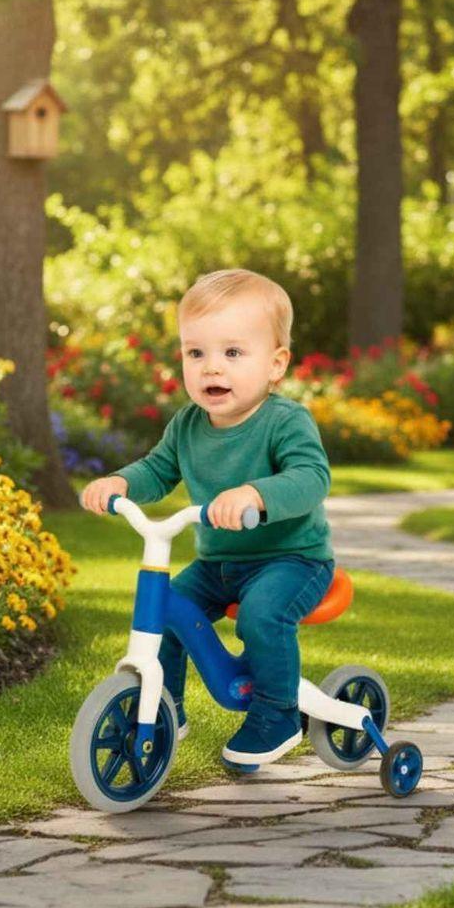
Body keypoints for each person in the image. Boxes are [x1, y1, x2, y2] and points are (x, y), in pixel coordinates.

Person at [80, 268, 334, 767]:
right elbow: (157, 469)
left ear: (276, 364)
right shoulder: (189, 424)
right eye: (196, 353)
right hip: (222, 564)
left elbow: (311, 477)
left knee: (263, 616)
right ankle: (166, 708)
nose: (211, 368)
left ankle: (278, 712)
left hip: (292, 560)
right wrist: (121, 484)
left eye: (233, 353)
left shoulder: (285, 421)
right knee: (168, 611)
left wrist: (254, 495)